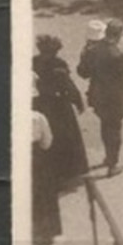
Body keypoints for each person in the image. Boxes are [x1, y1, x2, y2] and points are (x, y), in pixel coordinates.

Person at [76, 19, 123, 177]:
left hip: (98, 95)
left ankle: (108, 157)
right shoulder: (121, 54)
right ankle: (113, 164)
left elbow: (82, 73)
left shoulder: (92, 50)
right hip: (116, 98)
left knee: (105, 126)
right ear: (118, 35)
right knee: (114, 129)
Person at [32, 34, 89, 192]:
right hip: (60, 106)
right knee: (66, 137)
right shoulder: (58, 64)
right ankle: (69, 172)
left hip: (41, 104)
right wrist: (78, 102)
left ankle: (52, 172)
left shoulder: (34, 62)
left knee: (47, 137)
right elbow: (67, 85)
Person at [31, 104, 60, 245]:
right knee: (43, 194)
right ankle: (44, 232)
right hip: (37, 160)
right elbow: (47, 142)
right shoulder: (37, 117)